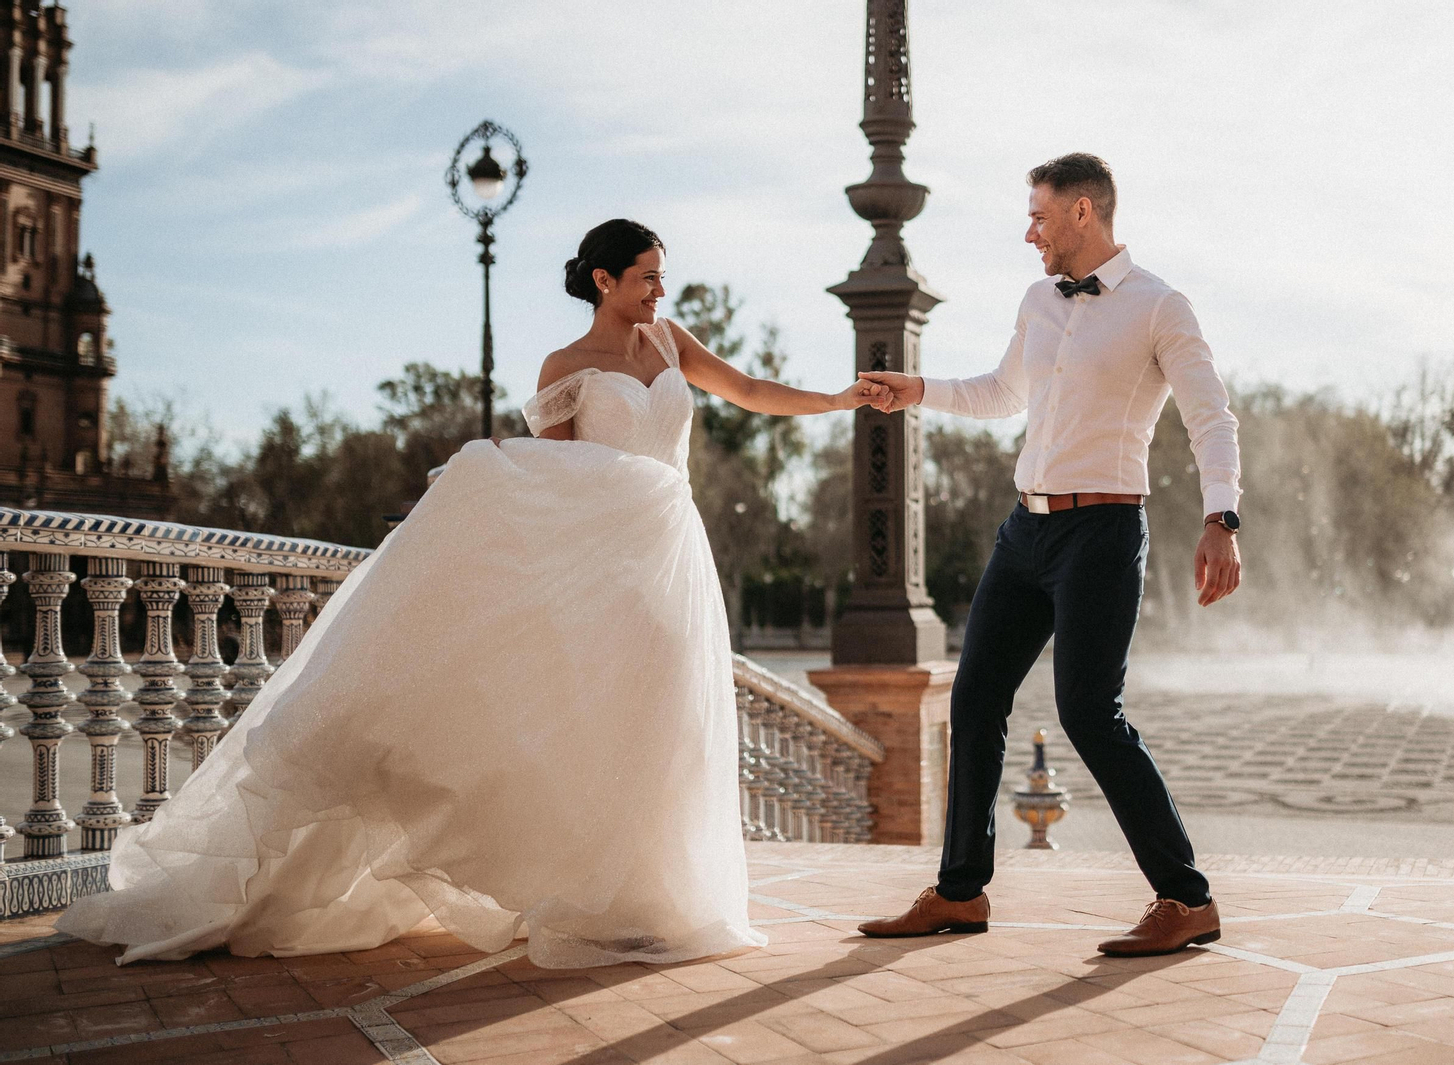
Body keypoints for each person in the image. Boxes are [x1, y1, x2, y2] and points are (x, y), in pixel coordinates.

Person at [57, 218, 887, 968]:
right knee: (603, 720)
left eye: (660, 276)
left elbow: (750, 392)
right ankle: (595, 896)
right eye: (645, 276)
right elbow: (551, 479)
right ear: (605, 281)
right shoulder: (565, 369)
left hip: (671, 552)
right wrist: (477, 486)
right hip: (599, 569)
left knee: (669, 713)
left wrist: (838, 399)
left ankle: (657, 899)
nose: (659, 289)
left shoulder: (671, 343)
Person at [855, 154, 1243, 956]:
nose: (1028, 231)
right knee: (975, 698)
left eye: (1038, 215)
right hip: (1024, 530)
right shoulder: (1039, 299)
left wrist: (1222, 517)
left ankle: (1186, 896)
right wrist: (916, 388)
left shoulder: (1160, 305)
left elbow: (1212, 417)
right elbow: (1003, 393)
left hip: (1102, 534)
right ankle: (960, 892)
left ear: (1081, 213)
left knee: (1087, 713)